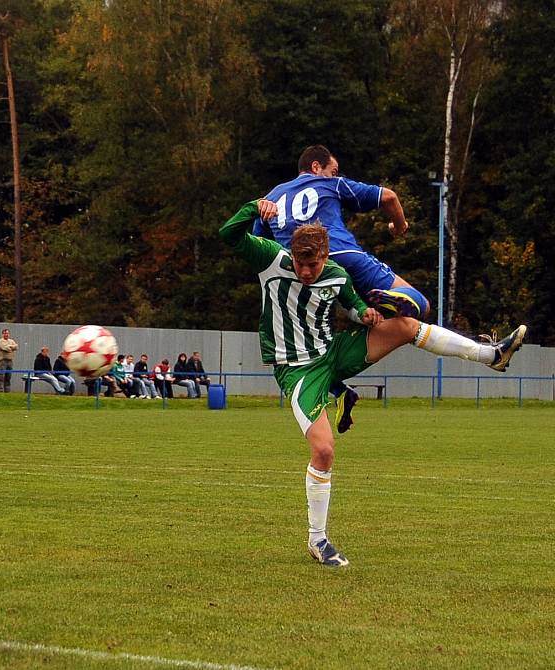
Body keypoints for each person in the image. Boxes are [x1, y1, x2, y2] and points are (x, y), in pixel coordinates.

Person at [220, 200, 526, 568]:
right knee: (324, 452)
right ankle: (318, 540)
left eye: (312, 264)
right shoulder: (271, 259)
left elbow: (352, 307)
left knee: (406, 326)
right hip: (297, 370)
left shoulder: (336, 274)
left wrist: (365, 313)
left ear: (325, 256)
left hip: (332, 352)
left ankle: (491, 356)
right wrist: (254, 208)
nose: (305, 271)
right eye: (300, 264)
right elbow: (228, 234)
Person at [254, 144, 432, 432]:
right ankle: (384, 304)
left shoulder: (271, 198)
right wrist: (399, 226)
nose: (336, 174)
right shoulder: (330, 184)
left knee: (311, 347)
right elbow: (389, 196)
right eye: (333, 170)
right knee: (420, 305)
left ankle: (341, 389)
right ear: (316, 167)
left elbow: (258, 242)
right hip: (341, 257)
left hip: (299, 275)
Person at [0, 328, 18, 392]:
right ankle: (0, 388)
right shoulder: (0, 341)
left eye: (7, 333)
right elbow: (4, 348)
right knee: (1, 375)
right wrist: (11, 348)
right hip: (2, 360)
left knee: (8, 375)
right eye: (5, 333)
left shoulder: (11, 340)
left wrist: (10, 347)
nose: (6, 334)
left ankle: (7, 389)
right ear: (2, 334)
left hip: (10, 361)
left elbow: (16, 347)